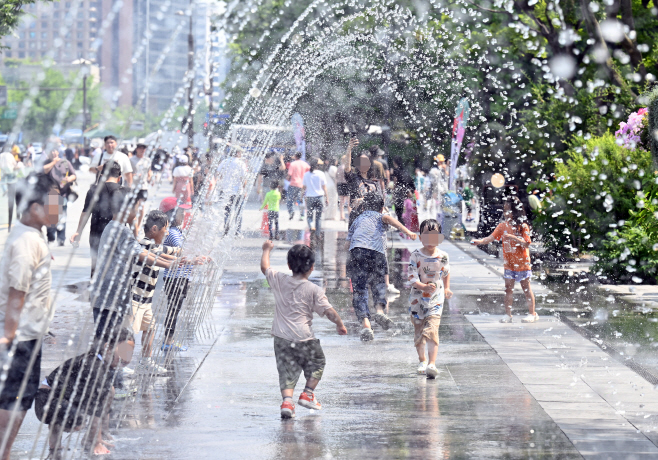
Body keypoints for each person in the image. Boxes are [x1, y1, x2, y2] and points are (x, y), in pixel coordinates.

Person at [0, 173, 60, 460]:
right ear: (35, 208)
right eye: (54, 203)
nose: (59, 209)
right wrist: (8, 339)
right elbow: (16, 294)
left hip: (28, 335)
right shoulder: (26, 242)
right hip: (20, 338)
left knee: (18, 400)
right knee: (13, 401)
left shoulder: (34, 235)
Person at [260, 241, 347, 419]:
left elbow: (265, 267)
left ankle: (287, 403)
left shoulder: (279, 279)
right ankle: (307, 393)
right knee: (317, 363)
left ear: (289, 265)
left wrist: (266, 250)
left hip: (281, 337)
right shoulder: (314, 289)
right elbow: (329, 311)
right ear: (312, 267)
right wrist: (339, 324)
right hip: (304, 337)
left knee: (286, 370)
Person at [35, 328, 135, 458]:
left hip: (57, 398)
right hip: (46, 402)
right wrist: (96, 443)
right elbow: (95, 409)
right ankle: (88, 440)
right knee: (80, 420)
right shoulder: (95, 368)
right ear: (107, 348)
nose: (126, 358)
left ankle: (102, 433)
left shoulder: (98, 360)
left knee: (109, 390)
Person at [92, 188, 173, 346]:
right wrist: (169, 264)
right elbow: (143, 256)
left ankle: (110, 368)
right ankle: (112, 369)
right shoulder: (121, 231)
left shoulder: (114, 227)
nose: (138, 212)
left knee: (108, 339)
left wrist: (169, 262)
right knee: (112, 339)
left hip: (106, 294)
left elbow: (142, 251)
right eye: (137, 207)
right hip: (111, 296)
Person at [347, 192, 416, 341]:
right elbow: (388, 219)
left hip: (357, 252)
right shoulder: (380, 216)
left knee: (359, 290)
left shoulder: (358, 219)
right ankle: (379, 310)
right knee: (378, 283)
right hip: (376, 253)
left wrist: (350, 261)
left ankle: (366, 325)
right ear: (381, 207)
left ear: (364, 206)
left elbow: (349, 241)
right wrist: (408, 232)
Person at [472, 196, 537, 323]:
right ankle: (508, 314)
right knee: (508, 288)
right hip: (509, 264)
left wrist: (514, 238)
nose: (506, 213)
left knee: (526, 288)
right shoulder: (502, 226)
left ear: (516, 211)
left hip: (523, 263)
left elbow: (527, 243)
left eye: (509, 210)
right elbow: (490, 238)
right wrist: (479, 241)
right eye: (505, 210)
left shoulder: (523, 226)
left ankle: (532, 313)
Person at [130, 210, 180, 374]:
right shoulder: (144, 244)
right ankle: (119, 367)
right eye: (164, 230)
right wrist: (182, 259)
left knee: (150, 329)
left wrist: (188, 256)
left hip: (146, 300)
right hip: (135, 299)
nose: (166, 233)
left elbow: (170, 251)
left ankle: (145, 361)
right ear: (154, 229)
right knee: (128, 335)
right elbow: (163, 254)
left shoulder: (155, 245)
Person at [160, 197, 207, 352]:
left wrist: (199, 257)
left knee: (174, 309)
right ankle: (168, 341)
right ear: (172, 214)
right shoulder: (173, 234)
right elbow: (181, 256)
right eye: (181, 212)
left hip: (178, 277)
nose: (184, 215)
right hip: (176, 278)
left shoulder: (175, 231)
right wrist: (194, 260)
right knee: (173, 310)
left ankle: (169, 340)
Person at [407, 219, 452, 379]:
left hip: (436, 300)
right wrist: (423, 286)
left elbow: (445, 273)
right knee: (419, 330)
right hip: (417, 300)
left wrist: (446, 288)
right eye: (427, 235)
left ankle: (432, 363)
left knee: (433, 329)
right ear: (420, 237)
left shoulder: (443, 256)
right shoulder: (416, 255)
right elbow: (412, 277)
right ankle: (422, 360)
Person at [70, 161, 122, 276]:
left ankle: (94, 290)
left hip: (96, 234)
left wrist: (78, 233)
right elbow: (129, 218)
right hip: (117, 235)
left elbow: (85, 213)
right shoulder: (123, 191)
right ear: (119, 178)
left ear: (102, 176)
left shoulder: (93, 190)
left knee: (95, 265)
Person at [341, 138, 381, 228]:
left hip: (371, 223)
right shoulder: (353, 178)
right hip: (356, 222)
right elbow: (347, 167)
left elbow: (379, 204)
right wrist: (349, 149)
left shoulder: (374, 183)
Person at [42, 149, 76, 246]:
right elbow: (44, 170)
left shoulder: (65, 163)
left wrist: (69, 178)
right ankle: (51, 237)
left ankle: (61, 239)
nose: (53, 152)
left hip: (63, 193)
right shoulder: (46, 162)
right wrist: (53, 162)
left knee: (62, 217)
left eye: (55, 150)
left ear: (58, 151)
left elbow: (74, 175)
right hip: (51, 193)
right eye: (51, 150)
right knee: (52, 216)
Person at [216, 147, 248, 235]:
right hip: (238, 192)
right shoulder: (241, 163)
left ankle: (226, 228)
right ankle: (237, 231)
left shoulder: (224, 162)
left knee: (227, 211)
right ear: (237, 153)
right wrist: (245, 190)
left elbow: (218, 174)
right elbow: (244, 178)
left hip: (225, 191)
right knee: (238, 212)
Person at [302, 158, 328, 232]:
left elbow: (303, 188)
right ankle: (317, 234)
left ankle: (311, 226)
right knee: (318, 217)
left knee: (309, 216)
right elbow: (324, 188)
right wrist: (327, 198)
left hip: (310, 198)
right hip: (320, 197)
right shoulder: (321, 174)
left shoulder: (306, 175)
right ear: (317, 165)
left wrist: (301, 197)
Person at [0, 149, 20, 231]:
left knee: (10, 204)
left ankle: (9, 226)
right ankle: (18, 222)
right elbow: (15, 165)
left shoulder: (0, 155)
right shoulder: (10, 155)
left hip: (4, 177)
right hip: (12, 179)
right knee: (18, 203)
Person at [286, 152, 310, 221]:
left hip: (293, 184)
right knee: (300, 200)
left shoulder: (293, 164)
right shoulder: (305, 164)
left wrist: (287, 178)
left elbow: (289, 175)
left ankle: (291, 212)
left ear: (295, 156)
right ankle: (302, 215)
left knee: (289, 200)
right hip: (301, 185)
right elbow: (309, 171)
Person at [336, 156, 350, 221]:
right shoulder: (347, 168)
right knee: (349, 201)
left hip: (340, 184)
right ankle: (350, 215)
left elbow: (336, 177)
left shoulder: (339, 168)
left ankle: (341, 216)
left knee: (341, 202)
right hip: (346, 184)